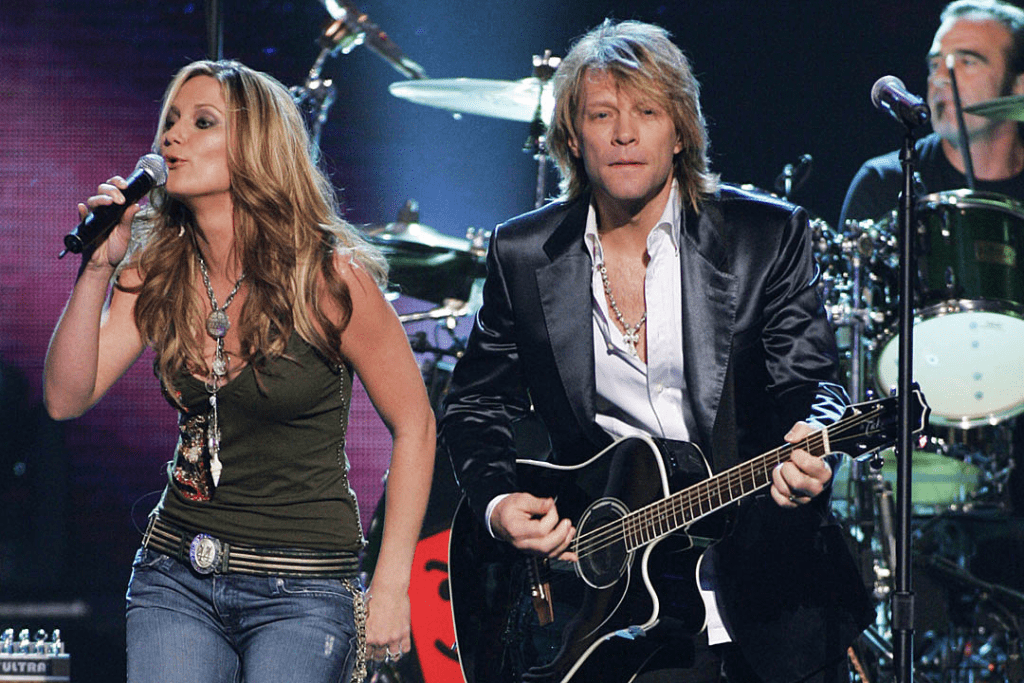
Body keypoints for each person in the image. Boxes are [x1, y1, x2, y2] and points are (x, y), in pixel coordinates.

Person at [439, 18, 871, 683]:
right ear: (571, 137)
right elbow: (476, 404)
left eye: (646, 111)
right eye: (601, 114)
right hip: (605, 606)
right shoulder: (523, 253)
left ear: (680, 132)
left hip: (769, 591)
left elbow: (812, 384)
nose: (624, 133)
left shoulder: (766, 236)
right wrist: (498, 505)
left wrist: (814, 438)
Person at [43, 60, 435, 682]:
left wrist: (390, 585)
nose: (172, 136)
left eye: (202, 123)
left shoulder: (330, 279)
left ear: (257, 147)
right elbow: (66, 398)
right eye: (171, 121)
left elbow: (416, 426)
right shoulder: (158, 269)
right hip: (177, 573)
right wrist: (96, 269)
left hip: (302, 586)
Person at [840, 0, 1024, 225]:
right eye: (935, 64)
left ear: (1019, 85)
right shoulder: (884, 183)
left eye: (967, 61)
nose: (941, 77)